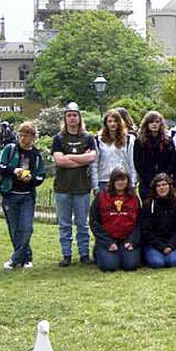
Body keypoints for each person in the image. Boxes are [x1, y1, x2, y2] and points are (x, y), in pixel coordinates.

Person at [52, 102, 97, 267]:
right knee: (64, 224)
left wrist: (69, 157)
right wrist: (81, 159)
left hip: (82, 188)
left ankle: (84, 254)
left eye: (74, 115)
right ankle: (66, 254)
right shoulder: (58, 138)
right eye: (69, 115)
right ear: (65, 118)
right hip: (62, 188)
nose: (72, 118)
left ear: (79, 118)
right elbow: (59, 161)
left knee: (82, 223)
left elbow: (92, 157)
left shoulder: (87, 138)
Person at [0, 122, 45, 270]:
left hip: (27, 196)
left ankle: (14, 259)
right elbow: (0, 167)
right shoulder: (10, 149)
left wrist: (30, 178)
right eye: (21, 134)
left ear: (33, 137)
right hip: (10, 194)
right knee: (14, 229)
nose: (23, 138)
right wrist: (14, 171)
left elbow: (40, 176)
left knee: (26, 228)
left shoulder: (36, 155)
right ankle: (25, 258)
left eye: (27, 135)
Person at [89, 167, 141, 272]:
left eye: (123, 180)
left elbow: (139, 223)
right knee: (110, 266)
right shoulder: (101, 196)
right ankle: (99, 251)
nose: (120, 182)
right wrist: (108, 242)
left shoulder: (134, 198)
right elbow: (94, 223)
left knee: (130, 265)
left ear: (128, 181)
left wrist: (132, 241)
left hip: (126, 239)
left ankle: (123, 252)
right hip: (107, 239)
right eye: (117, 180)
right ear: (112, 181)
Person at [141, 173, 176, 269]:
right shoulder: (148, 205)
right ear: (155, 188)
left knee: (173, 262)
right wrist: (161, 247)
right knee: (157, 263)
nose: (162, 188)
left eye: (164, 185)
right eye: (158, 186)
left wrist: (170, 246)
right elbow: (146, 231)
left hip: (170, 243)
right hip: (154, 244)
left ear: (169, 186)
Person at [91, 109, 137, 193]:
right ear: (105, 123)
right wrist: (95, 185)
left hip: (123, 181)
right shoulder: (98, 140)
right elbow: (94, 164)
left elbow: (132, 162)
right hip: (104, 181)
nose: (112, 124)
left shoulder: (129, 139)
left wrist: (133, 183)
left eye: (115, 121)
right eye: (110, 121)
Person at [133, 111, 176, 199]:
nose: (154, 124)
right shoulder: (140, 142)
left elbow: (172, 161)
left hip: (164, 181)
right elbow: (138, 163)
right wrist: (149, 178)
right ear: (147, 124)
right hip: (146, 181)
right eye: (151, 122)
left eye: (157, 122)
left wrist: (163, 177)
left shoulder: (168, 141)